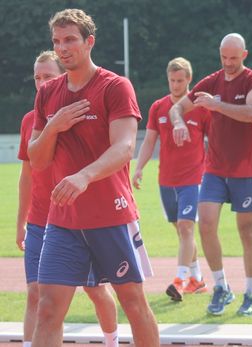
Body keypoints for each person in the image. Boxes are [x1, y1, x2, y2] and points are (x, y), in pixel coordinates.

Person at [27, 9, 159, 347]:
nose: (62, 48)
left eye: (70, 39)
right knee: (47, 308)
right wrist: (54, 125)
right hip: (63, 220)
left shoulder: (115, 87)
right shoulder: (47, 94)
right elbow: (37, 159)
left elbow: (125, 147)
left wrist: (84, 176)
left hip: (110, 215)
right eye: (57, 41)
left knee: (133, 303)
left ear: (89, 42)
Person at [17, 50, 120, 347]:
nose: (41, 83)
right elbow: (27, 174)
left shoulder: (85, 110)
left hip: (76, 220)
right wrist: (21, 221)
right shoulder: (29, 121)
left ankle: (111, 341)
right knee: (37, 295)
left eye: (48, 76)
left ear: (63, 75)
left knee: (95, 290)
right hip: (39, 220)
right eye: (37, 77)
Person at [170, 33, 252, 316]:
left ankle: (251, 293)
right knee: (206, 223)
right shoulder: (212, 81)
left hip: (247, 168)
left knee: (247, 232)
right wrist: (179, 123)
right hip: (215, 168)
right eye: (224, 57)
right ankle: (221, 287)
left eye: (234, 58)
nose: (228, 63)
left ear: (244, 55)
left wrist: (217, 105)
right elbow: (178, 107)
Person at [132, 57, 210, 301]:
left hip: (194, 178)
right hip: (166, 180)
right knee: (182, 232)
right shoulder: (158, 107)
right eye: (172, 80)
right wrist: (138, 167)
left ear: (189, 80)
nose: (175, 85)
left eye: (180, 81)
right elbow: (150, 141)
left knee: (187, 227)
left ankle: (180, 281)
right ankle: (197, 279)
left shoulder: (201, 108)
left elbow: (214, 142)